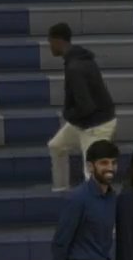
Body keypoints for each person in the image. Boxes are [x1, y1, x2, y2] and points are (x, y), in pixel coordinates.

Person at [46, 24, 117, 193]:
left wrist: (68, 114)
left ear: (57, 41)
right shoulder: (79, 58)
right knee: (56, 146)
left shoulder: (75, 67)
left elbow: (86, 107)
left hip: (96, 126)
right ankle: (61, 190)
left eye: (50, 42)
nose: (49, 46)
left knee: (93, 174)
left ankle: (101, 212)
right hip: (86, 121)